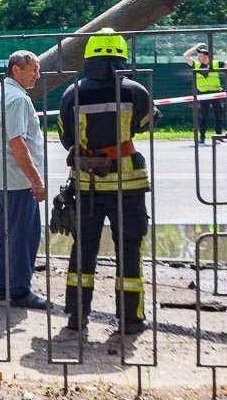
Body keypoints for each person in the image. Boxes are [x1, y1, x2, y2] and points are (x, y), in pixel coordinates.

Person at [58, 29, 158, 334]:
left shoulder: (71, 93)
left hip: (87, 186)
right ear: (120, 57)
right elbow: (148, 122)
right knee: (129, 249)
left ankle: (77, 316)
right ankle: (130, 319)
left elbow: (66, 139)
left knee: (83, 247)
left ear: (89, 58)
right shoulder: (135, 91)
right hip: (127, 187)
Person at [0, 50, 48, 309]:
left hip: (3, 178)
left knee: (6, 234)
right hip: (19, 181)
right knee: (24, 236)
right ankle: (20, 291)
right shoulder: (17, 99)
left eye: (38, 70)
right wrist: (36, 179)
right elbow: (17, 142)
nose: (37, 75)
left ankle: (2, 287)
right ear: (16, 70)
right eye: (33, 69)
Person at [182, 42, 227, 145]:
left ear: (207, 57)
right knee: (203, 117)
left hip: (216, 94)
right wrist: (197, 46)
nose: (199, 57)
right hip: (203, 95)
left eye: (201, 55)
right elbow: (185, 56)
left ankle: (219, 136)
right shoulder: (196, 65)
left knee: (219, 116)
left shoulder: (215, 64)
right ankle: (202, 138)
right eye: (198, 56)